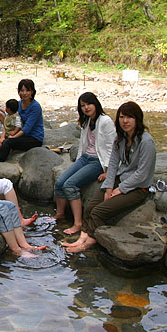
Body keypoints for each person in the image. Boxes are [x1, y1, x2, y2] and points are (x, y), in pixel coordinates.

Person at [62, 101, 156, 253]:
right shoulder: (121, 137)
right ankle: (82, 238)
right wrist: (108, 187)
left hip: (139, 188)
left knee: (99, 212)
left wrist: (120, 190)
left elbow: (142, 174)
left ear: (137, 119)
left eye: (129, 117)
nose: (125, 121)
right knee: (90, 207)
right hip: (120, 178)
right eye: (122, 117)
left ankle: (88, 243)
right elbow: (113, 164)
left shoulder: (146, 141)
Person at [54, 92, 116, 235]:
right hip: (85, 158)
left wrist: (107, 171)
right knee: (60, 183)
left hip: (97, 161)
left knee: (70, 185)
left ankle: (78, 223)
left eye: (89, 104)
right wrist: (78, 162)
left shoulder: (105, 121)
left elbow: (111, 147)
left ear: (96, 104)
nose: (86, 107)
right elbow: (83, 143)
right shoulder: (87, 120)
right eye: (83, 105)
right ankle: (60, 214)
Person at [0, 79, 43, 162]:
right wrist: (3, 136)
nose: (24, 93)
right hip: (19, 134)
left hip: (34, 138)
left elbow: (27, 128)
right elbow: (8, 120)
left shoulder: (35, 107)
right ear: (19, 91)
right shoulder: (18, 104)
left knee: (8, 142)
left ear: (32, 92)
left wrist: (12, 138)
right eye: (22, 90)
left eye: (27, 90)